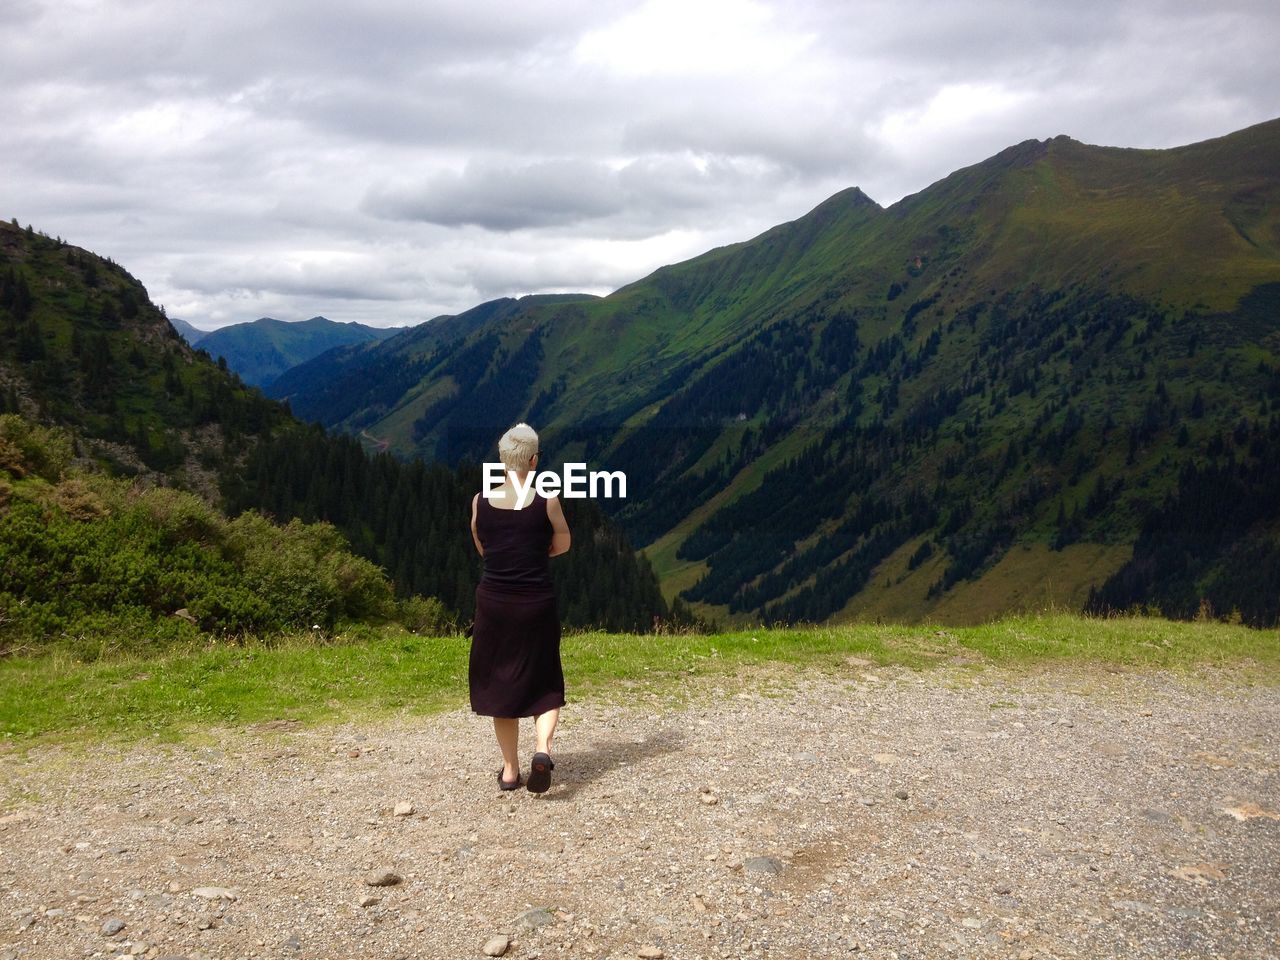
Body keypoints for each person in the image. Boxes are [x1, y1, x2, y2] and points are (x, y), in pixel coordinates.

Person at [468, 423, 571, 793]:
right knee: (544, 679)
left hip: (494, 604)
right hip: (536, 603)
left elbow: (483, 547)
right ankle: (542, 750)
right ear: (533, 460)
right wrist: (534, 552)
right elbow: (563, 544)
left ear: (501, 460)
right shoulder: (548, 501)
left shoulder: (481, 502)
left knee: (501, 685)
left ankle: (510, 771)